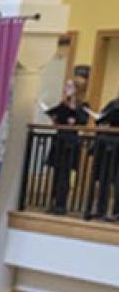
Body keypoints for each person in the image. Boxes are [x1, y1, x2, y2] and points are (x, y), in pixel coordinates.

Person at [43, 77, 90, 214]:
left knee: (65, 173)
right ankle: (53, 202)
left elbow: (83, 121)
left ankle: (61, 204)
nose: (66, 89)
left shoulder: (84, 105)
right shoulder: (63, 104)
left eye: (69, 87)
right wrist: (54, 118)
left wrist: (73, 114)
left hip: (70, 142)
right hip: (59, 139)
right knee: (57, 173)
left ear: (77, 90)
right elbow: (58, 120)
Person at [90, 91, 119, 221]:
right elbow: (100, 118)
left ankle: (116, 212)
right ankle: (100, 209)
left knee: (118, 181)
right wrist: (100, 120)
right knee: (104, 178)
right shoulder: (113, 104)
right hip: (109, 146)